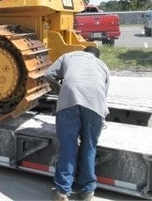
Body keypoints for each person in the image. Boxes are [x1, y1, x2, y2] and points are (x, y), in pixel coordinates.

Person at [44, 46, 110, 201]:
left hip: (69, 100)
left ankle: (62, 191)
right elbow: (103, 95)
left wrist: (60, 89)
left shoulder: (70, 56)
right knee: (89, 146)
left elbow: (48, 74)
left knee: (68, 145)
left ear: (83, 51)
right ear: (96, 57)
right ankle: (87, 191)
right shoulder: (103, 66)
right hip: (95, 104)